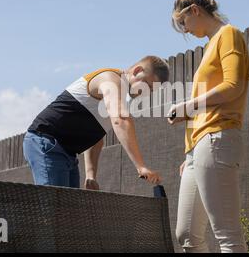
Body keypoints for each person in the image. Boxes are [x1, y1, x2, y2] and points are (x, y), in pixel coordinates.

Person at [168, 0, 249, 253]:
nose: (185, 31)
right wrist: (189, 152)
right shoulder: (209, 47)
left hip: (217, 139)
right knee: (187, 235)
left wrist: (188, 106)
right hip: (198, 149)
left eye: (183, 23)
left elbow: (233, 86)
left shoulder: (229, 34)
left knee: (227, 236)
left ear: (194, 11)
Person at [23, 55, 169, 189]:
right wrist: (141, 166)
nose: (146, 92)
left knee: (67, 212)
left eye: (151, 91)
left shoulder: (119, 97)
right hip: (46, 142)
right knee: (52, 209)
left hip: (68, 154)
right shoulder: (110, 78)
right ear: (137, 71)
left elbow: (96, 138)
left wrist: (90, 174)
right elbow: (121, 120)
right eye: (148, 86)